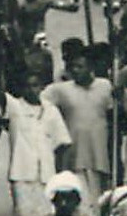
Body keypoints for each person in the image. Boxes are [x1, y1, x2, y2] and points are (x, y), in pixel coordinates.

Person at [3, 56, 73, 216]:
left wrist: (60, 176)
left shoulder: (51, 111)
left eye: (36, 85)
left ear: (42, 87)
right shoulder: (13, 108)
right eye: (27, 86)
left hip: (46, 175)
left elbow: (63, 142)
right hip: (22, 173)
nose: (32, 90)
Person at [42, 42, 115, 202]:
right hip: (74, 156)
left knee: (99, 201)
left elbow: (113, 116)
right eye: (72, 67)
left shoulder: (105, 86)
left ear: (90, 67)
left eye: (80, 66)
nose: (75, 70)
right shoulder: (60, 90)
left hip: (99, 156)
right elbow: (38, 100)